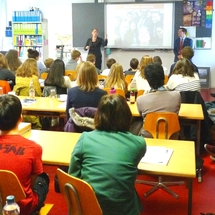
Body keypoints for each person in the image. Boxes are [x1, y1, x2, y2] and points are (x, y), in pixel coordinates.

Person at [68, 94, 146, 215]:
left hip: (87, 206)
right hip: (122, 209)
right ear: (127, 116)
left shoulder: (85, 138)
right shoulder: (139, 144)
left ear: (98, 115)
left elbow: (73, 175)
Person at [0, 94, 49, 215]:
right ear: (20, 118)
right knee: (43, 177)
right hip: (22, 207)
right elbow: (31, 184)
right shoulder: (33, 148)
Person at [136, 62, 181, 137]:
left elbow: (142, 116)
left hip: (148, 136)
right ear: (164, 77)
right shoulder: (177, 96)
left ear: (147, 80)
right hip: (172, 136)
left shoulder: (141, 100)